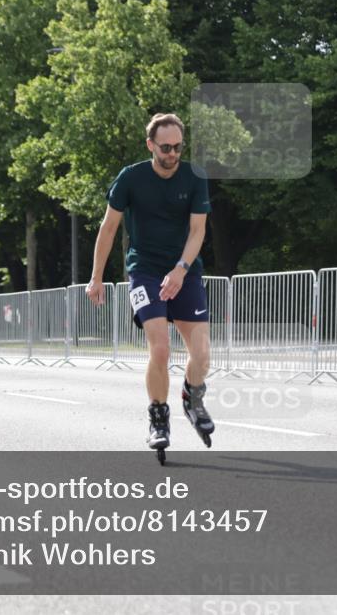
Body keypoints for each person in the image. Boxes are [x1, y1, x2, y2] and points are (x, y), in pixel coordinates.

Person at [86, 113, 215, 452]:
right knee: (160, 347)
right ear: (150, 145)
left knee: (201, 355)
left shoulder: (194, 177)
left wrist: (181, 269)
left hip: (184, 270)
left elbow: (198, 230)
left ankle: (192, 396)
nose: (172, 154)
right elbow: (109, 228)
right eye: (165, 147)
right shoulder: (131, 178)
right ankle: (159, 416)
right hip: (144, 270)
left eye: (178, 147)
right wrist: (96, 277)